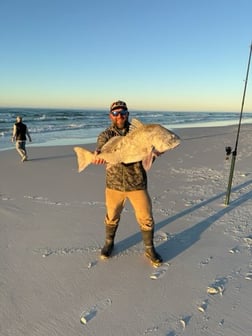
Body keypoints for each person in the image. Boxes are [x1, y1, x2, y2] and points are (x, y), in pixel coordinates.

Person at [93, 100, 163, 266]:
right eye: (116, 113)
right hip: (114, 184)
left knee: (146, 217)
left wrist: (155, 153)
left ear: (127, 114)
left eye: (123, 113)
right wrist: (97, 155)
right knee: (112, 216)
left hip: (137, 183)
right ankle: (109, 243)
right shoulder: (106, 135)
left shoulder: (141, 133)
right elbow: (101, 148)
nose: (120, 116)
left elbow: (148, 155)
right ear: (111, 115)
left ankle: (149, 248)